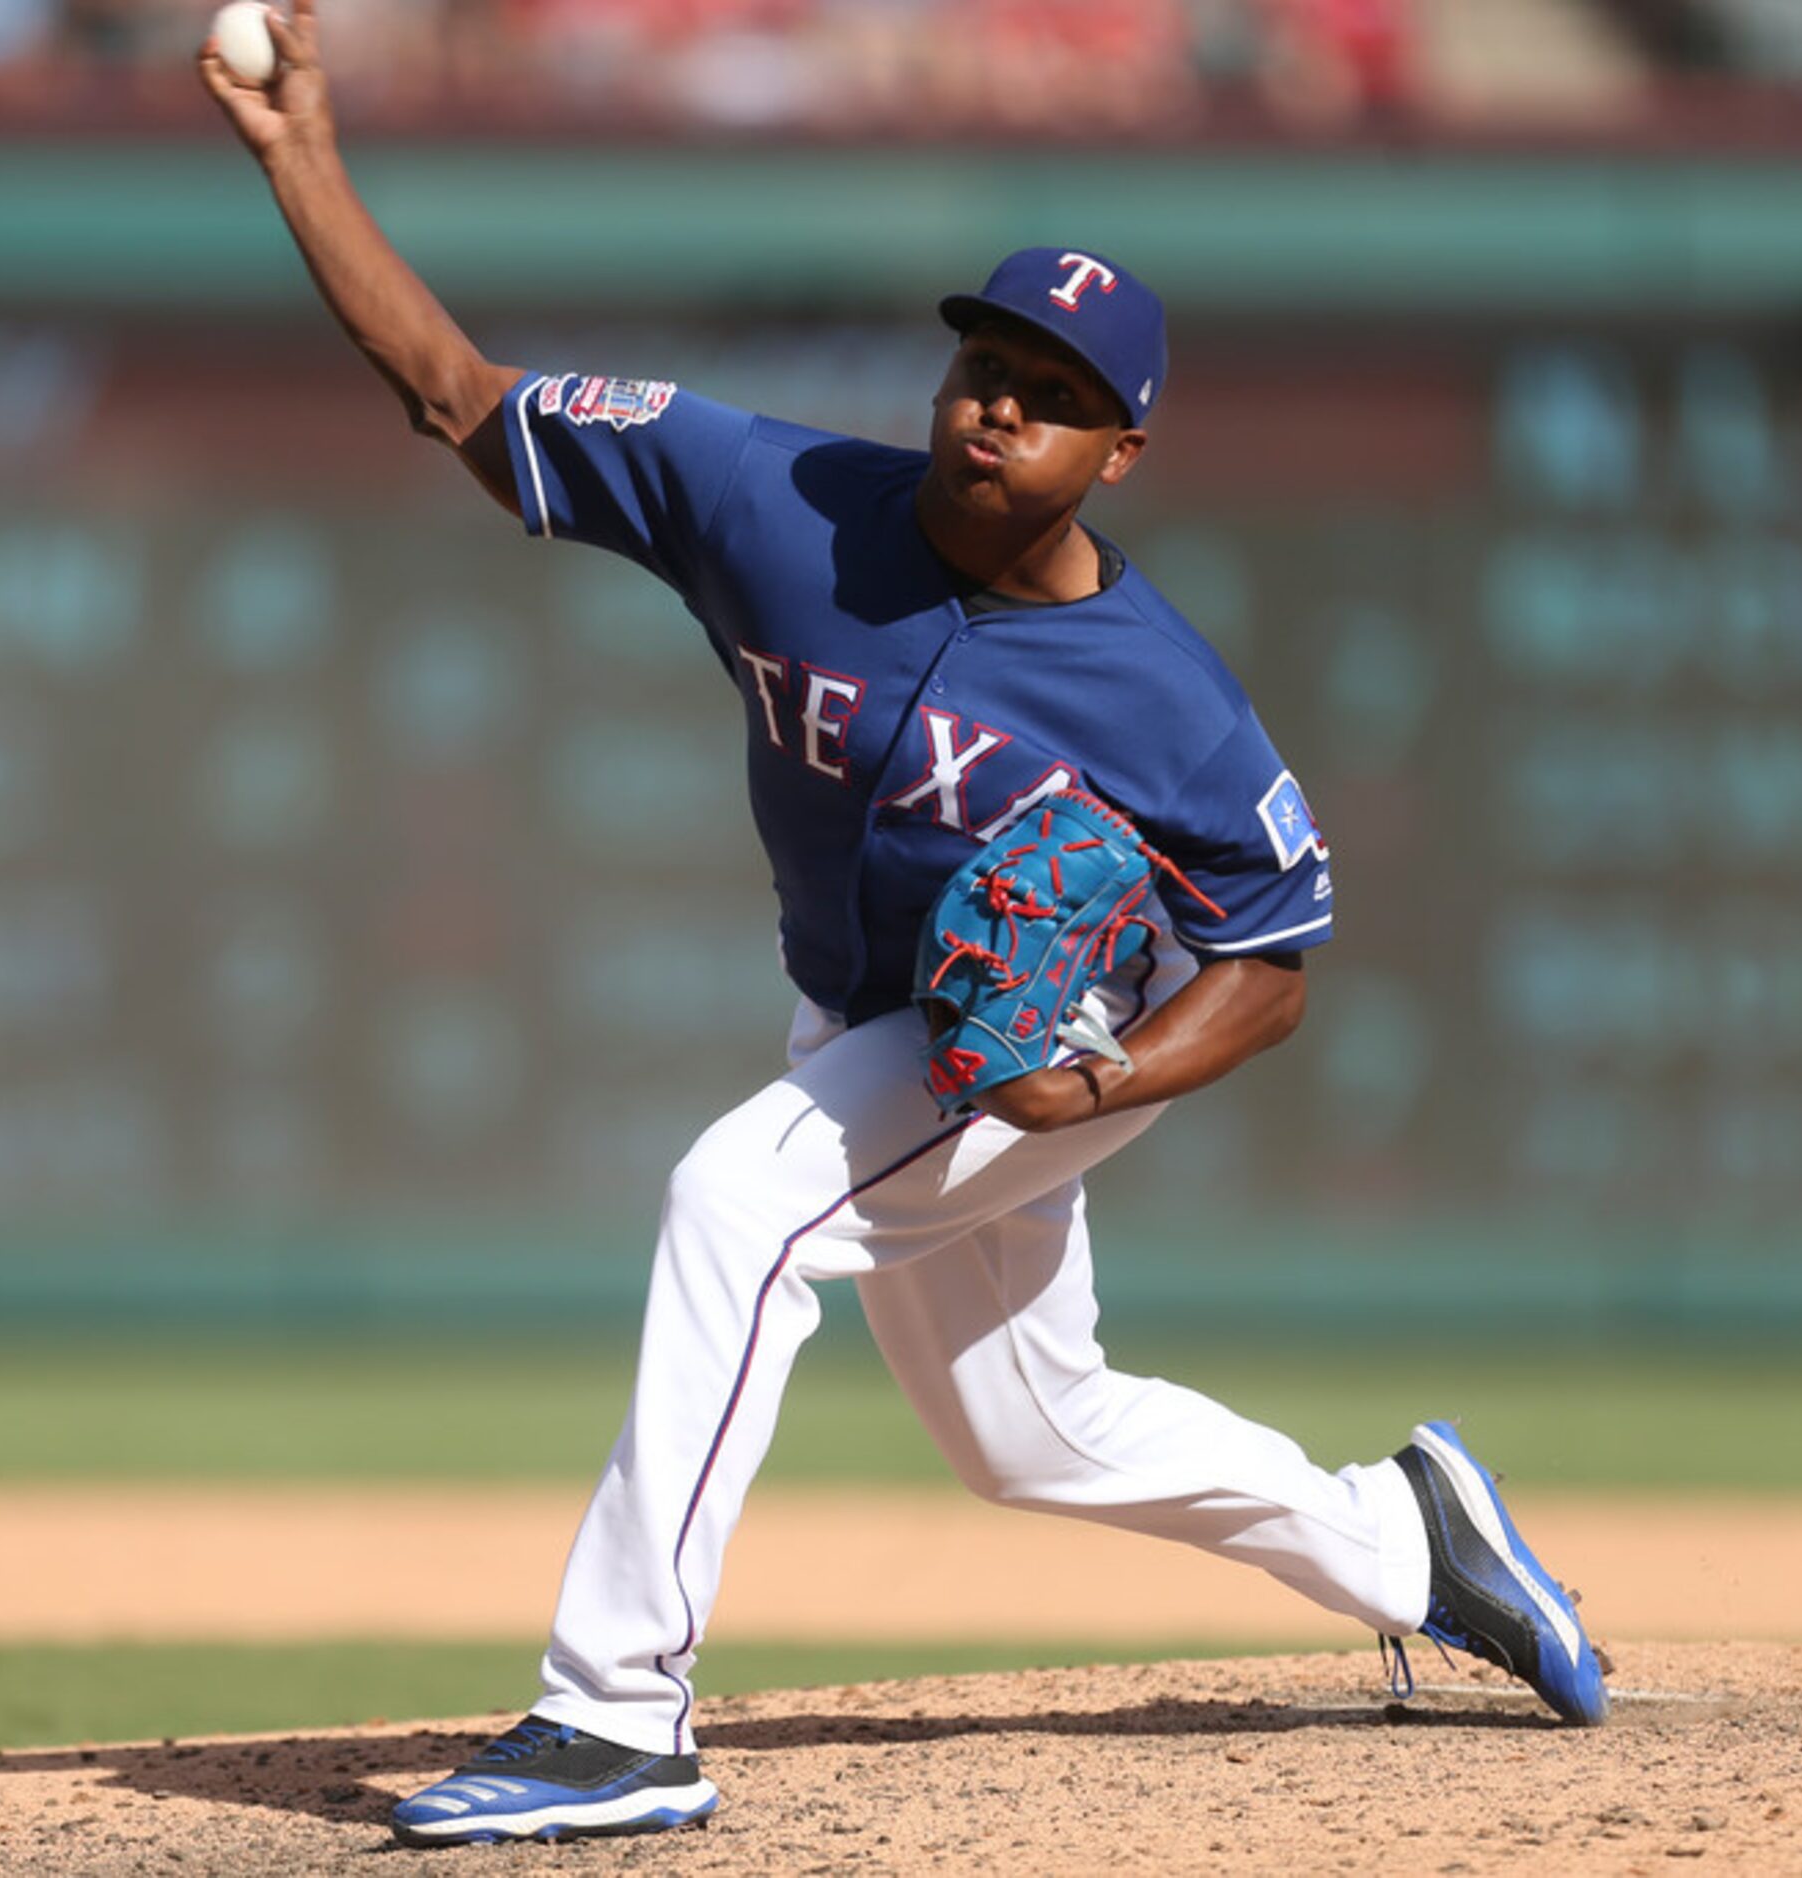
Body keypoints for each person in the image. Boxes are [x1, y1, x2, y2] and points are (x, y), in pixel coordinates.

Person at [200, 5, 1609, 1848]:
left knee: (737, 1198)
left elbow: (1270, 969)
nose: (996, 402)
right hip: (875, 1022)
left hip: (1038, 1045)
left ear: (1124, 449)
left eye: (1053, 389)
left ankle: (616, 1714)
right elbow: (461, 396)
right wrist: (298, 149)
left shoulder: (1163, 695)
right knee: (1033, 1434)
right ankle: (1407, 1535)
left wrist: (1101, 1081)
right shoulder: (776, 498)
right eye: (983, 362)